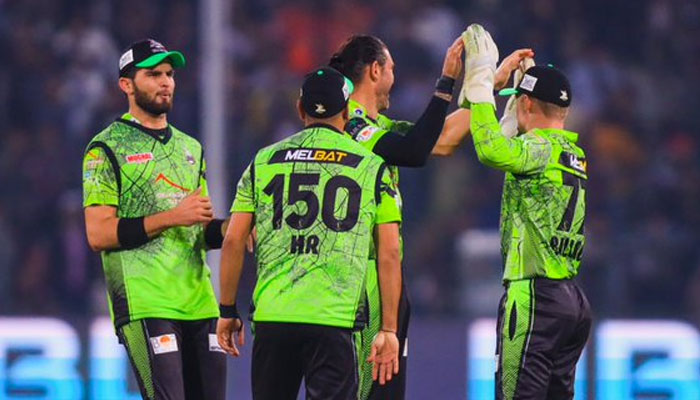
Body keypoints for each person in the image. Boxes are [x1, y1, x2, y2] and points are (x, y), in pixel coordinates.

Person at [328, 34, 534, 400]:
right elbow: (415, 150)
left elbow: (441, 139)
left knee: (385, 392)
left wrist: (488, 85)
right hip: (357, 286)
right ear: (375, 71)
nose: (394, 75)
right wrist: (447, 83)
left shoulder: (378, 128)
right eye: (390, 68)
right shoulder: (351, 126)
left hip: (381, 287)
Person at [216, 66, 404, 400]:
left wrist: (227, 311)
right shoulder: (371, 166)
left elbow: (233, 239)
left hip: (274, 316)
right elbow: (389, 252)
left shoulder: (264, 160)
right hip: (333, 318)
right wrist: (388, 328)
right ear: (347, 112)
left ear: (300, 109)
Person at [82, 39, 227, 400]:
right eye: (153, 75)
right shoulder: (106, 148)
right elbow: (98, 233)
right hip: (146, 302)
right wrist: (173, 216)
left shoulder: (191, 148)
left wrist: (233, 230)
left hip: (200, 301)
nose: (165, 82)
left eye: (169, 74)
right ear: (126, 85)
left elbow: (198, 229)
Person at [461, 24, 592, 400]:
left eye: (517, 100)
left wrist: (482, 78)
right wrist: (515, 91)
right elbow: (512, 144)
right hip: (571, 300)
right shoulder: (573, 154)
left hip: (536, 296)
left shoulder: (537, 149)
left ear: (528, 105)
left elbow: (490, 150)